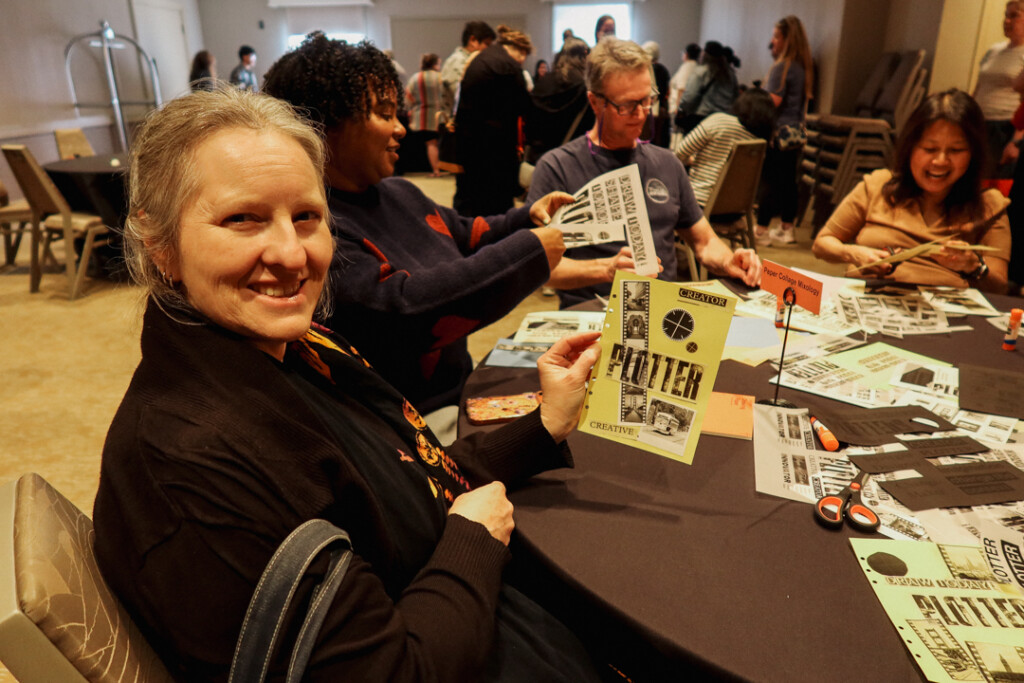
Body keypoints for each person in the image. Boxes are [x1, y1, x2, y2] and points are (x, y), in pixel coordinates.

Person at [92, 86, 604, 682]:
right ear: (159, 246)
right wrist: (473, 541)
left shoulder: (293, 349)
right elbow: (395, 673)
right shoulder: (193, 466)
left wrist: (542, 425)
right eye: (242, 219)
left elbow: (406, 477)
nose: (291, 254)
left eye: (306, 217)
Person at [263, 35, 572, 431]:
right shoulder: (314, 228)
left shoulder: (398, 191)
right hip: (403, 425)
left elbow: (466, 232)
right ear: (325, 124)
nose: (401, 128)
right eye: (384, 113)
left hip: (460, 390)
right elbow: (406, 310)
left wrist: (526, 216)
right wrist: (530, 253)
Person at [527, 38, 762, 309]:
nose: (641, 115)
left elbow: (705, 241)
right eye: (627, 105)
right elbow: (540, 267)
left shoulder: (667, 164)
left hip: (663, 313)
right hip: (590, 313)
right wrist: (605, 269)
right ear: (594, 102)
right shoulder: (558, 167)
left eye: (647, 100)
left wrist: (727, 261)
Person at [812, 89, 1010, 294]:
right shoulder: (878, 185)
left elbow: (999, 287)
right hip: (869, 299)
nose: (940, 161)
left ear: (973, 155)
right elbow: (822, 244)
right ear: (910, 148)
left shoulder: (989, 205)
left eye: (956, 150)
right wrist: (853, 254)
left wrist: (975, 266)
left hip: (947, 313)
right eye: (929, 149)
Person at [453, 25, 534, 217]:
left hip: (469, 141)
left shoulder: (485, 57)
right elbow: (525, 107)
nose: (523, 62)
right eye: (525, 56)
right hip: (493, 148)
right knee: (496, 203)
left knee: (470, 196)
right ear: (521, 50)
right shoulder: (508, 65)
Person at [753, 15, 814, 246]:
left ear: (787, 39)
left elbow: (774, 101)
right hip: (796, 133)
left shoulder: (782, 67)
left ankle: (761, 230)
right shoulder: (802, 68)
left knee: (769, 180)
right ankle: (787, 228)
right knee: (789, 181)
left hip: (778, 133)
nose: (772, 41)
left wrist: (758, 96)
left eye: (776, 36)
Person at [674, 86, 776, 206]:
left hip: (699, 202)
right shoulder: (760, 141)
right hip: (734, 207)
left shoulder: (719, 121)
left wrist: (689, 160)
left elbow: (679, 153)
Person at [523, 37, 593, 167]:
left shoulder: (542, 82)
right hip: (572, 159)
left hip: (540, 158)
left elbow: (530, 122)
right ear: (583, 57)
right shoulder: (584, 87)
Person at [973, 1, 1024, 179]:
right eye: (1005, 15)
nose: (1007, 21)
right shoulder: (994, 50)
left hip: (1004, 127)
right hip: (980, 121)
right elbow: (979, 86)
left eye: (1014, 15)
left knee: (993, 181)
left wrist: (1016, 140)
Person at [676, 41, 740, 137]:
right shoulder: (731, 74)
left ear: (705, 54)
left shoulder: (701, 71)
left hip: (700, 119)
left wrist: (682, 108)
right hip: (724, 121)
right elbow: (736, 96)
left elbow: (690, 97)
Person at [440, 21, 496, 121]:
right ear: (473, 40)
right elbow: (460, 95)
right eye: (487, 44)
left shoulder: (470, 61)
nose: (488, 50)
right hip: (456, 124)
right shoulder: (457, 61)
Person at [406, 52, 445, 176]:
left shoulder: (415, 78)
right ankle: (442, 168)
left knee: (430, 143)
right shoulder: (441, 77)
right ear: (435, 64)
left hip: (422, 116)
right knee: (439, 142)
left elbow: (408, 96)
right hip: (441, 115)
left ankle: (436, 170)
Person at [642, 41, 672, 148]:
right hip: (658, 110)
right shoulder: (663, 70)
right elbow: (665, 91)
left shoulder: (642, 68)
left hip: (647, 110)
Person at [669, 43, 701, 122]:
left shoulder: (687, 67)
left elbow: (681, 88)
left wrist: (678, 108)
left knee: (677, 133)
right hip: (691, 108)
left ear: (686, 54)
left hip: (679, 108)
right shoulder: (697, 67)